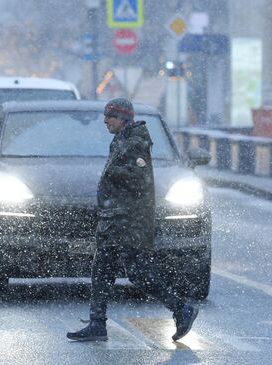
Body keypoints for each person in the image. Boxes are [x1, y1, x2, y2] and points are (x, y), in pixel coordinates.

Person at [67, 98, 198, 342]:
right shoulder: (122, 139)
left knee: (133, 271)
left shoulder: (135, 142)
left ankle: (181, 308)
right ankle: (98, 323)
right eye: (106, 116)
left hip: (128, 221)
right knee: (107, 268)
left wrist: (111, 178)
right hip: (116, 218)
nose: (106, 121)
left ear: (124, 118)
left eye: (111, 116)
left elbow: (137, 181)